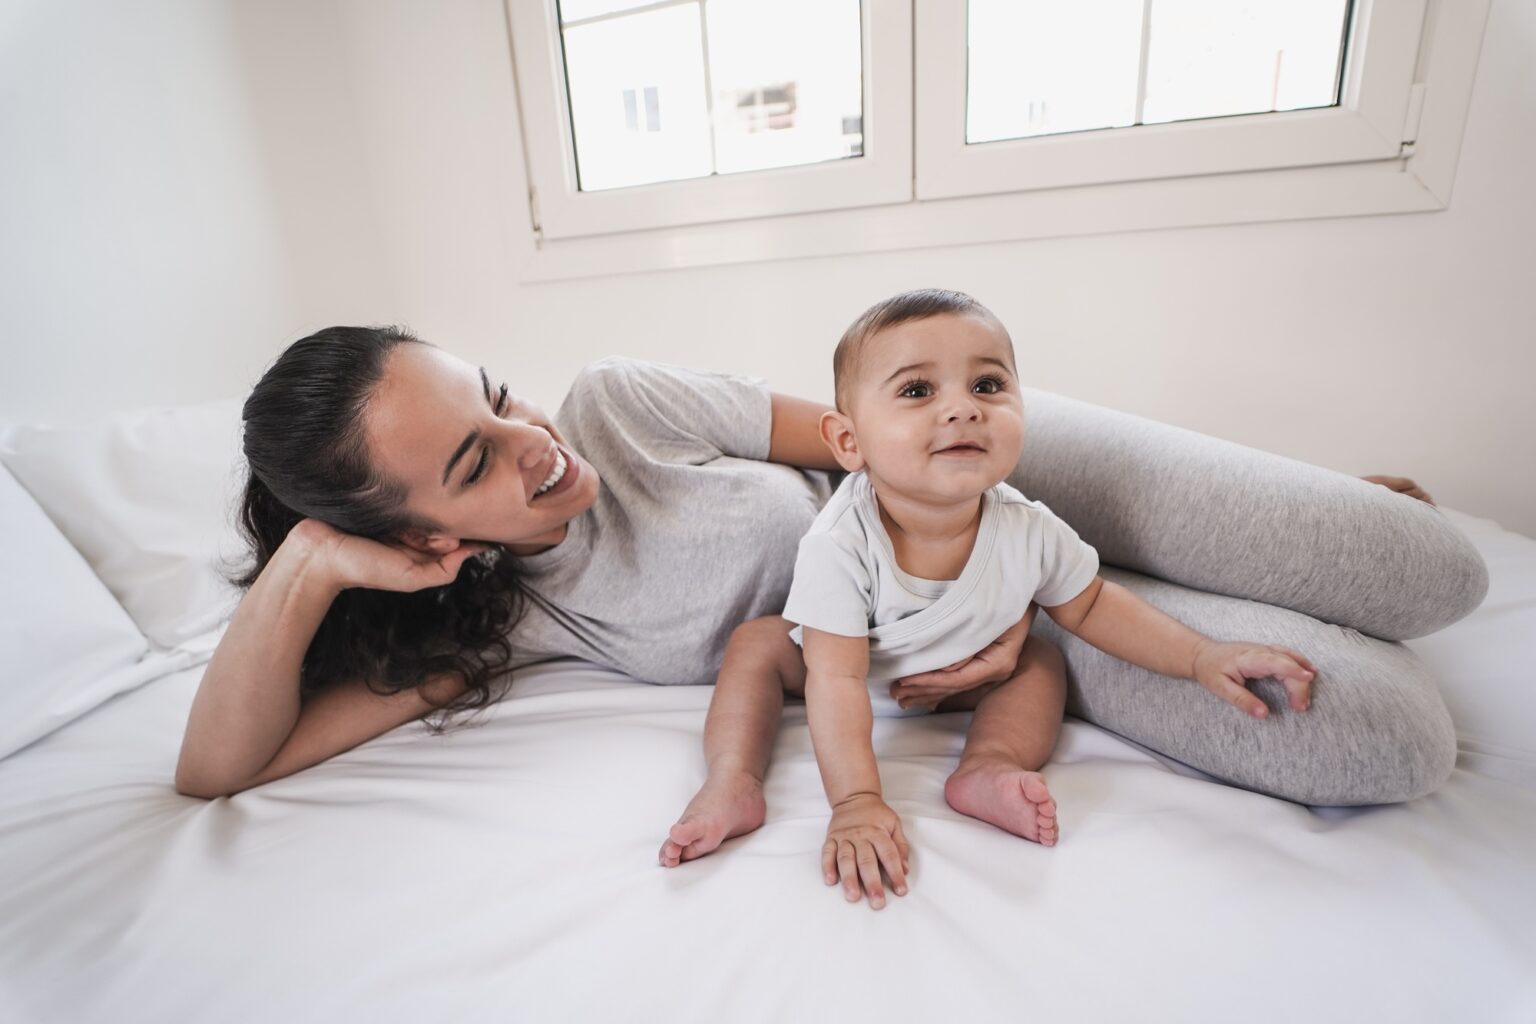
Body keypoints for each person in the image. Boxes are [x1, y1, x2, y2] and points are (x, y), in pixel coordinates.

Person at [175, 322, 1484, 835]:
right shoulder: (509, 624)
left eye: (499, 396)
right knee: (1385, 736)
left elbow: (862, 435)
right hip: (975, 635)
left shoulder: (621, 406)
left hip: (980, 470)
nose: (538, 446)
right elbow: (220, 771)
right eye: (474, 459)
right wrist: (304, 565)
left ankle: (1342, 510)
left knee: (1423, 567)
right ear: (411, 539)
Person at [658, 291, 1321, 910]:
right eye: (918, 390)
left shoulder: (1025, 526)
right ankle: (732, 780)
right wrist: (857, 802)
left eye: (988, 385)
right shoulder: (839, 542)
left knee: (1039, 664)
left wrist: (1201, 655)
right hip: (846, 665)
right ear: (848, 442)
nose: (963, 407)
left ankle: (987, 767)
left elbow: (1092, 606)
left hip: (966, 670)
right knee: (757, 644)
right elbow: (836, 676)